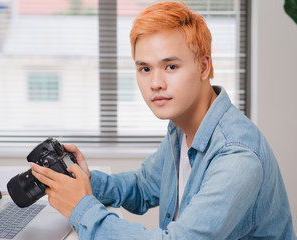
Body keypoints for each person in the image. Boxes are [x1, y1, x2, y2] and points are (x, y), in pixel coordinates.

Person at [31, 1, 296, 239]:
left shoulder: (237, 155)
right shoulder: (182, 127)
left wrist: (82, 208)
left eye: (171, 66)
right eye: (145, 68)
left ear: (204, 67)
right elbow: (143, 186)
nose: (155, 83)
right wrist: (82, 180)